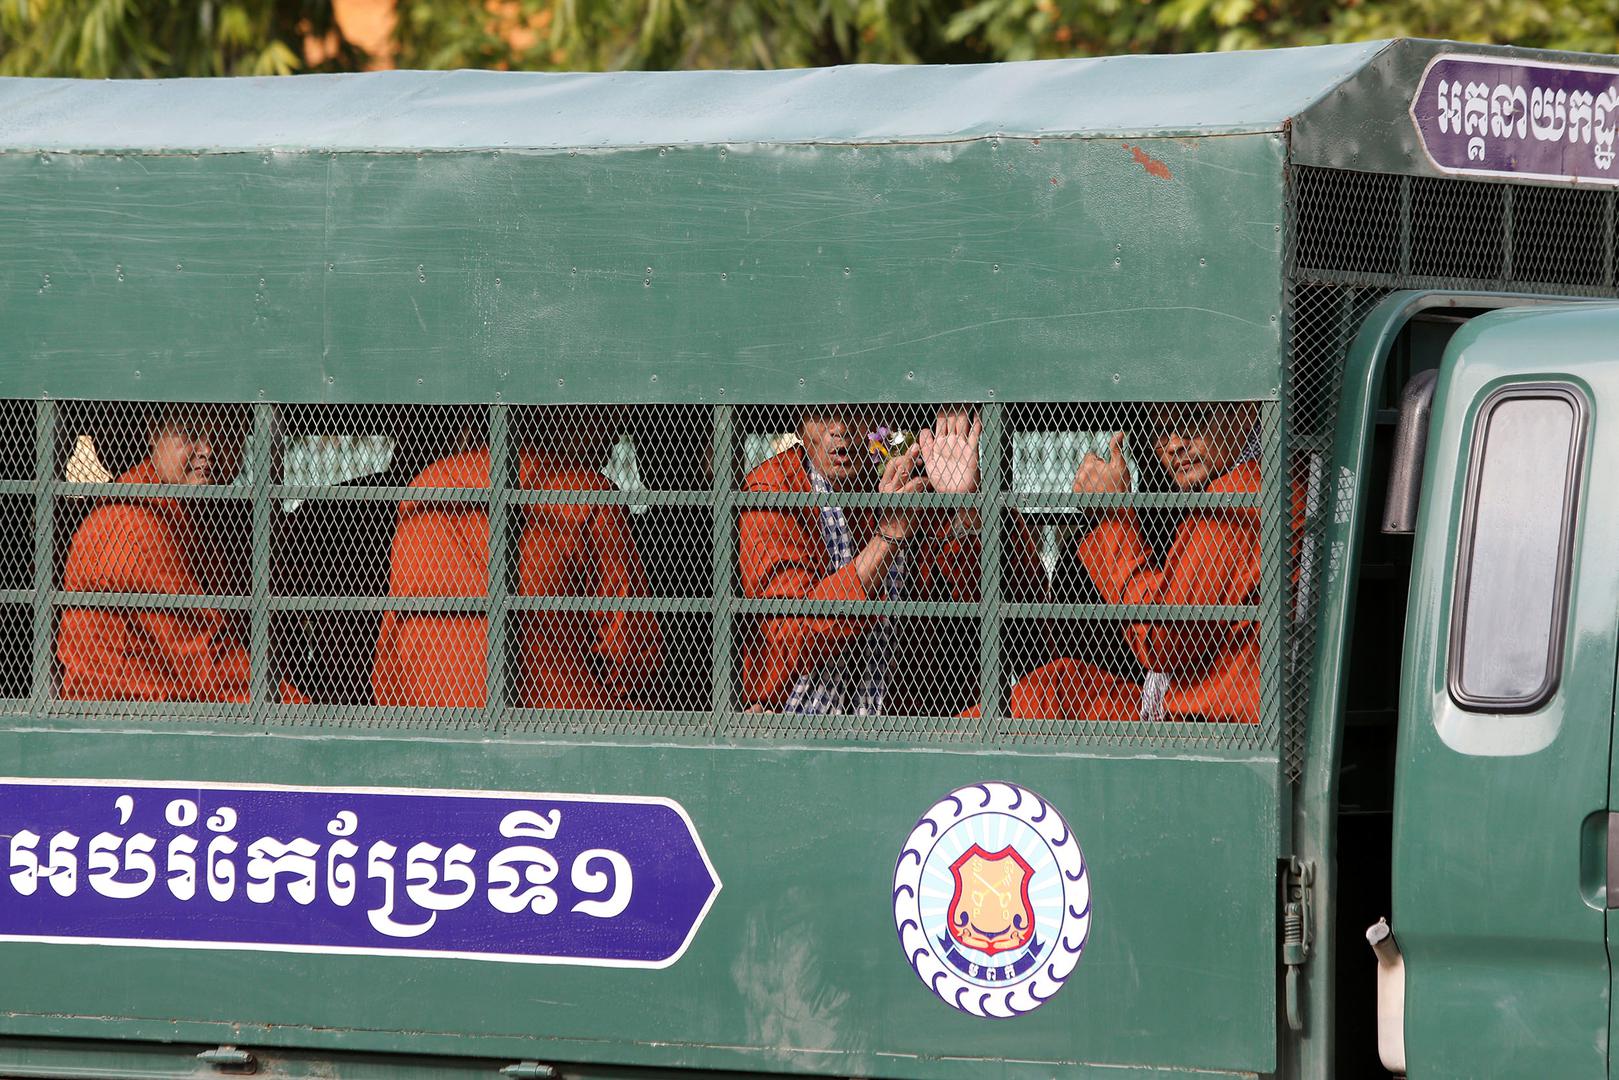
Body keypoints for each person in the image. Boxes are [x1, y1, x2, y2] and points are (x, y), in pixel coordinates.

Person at [738, 407, 1042, 716]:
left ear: (876, 417)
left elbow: (1023, 615)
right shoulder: (773, 488)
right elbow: (789, 636)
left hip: (904, 717)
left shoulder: (907, 482)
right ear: (799, 426)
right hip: (791, 716)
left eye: (854, 412)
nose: (840, 428)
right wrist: (887, 539)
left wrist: (968, 503)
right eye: (821, 413)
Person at [372, 413, 661, 709]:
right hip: (561, 720)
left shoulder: (422, 489)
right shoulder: (588, 494)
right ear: (563, 411)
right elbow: (631, 646)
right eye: (604, 417)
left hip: (431, 715)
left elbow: (391, 650)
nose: (614, 436)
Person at [1008, 402, 1265, 724]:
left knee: (1049, 694)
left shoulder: (1242, 498)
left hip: (1212, 723)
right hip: (1198, 703)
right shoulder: (1236, 491)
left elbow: (1161, 640)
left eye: (1194, 419)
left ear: (1246, 412)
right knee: (1057, 686)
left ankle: (955, 743)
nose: (1174, 444)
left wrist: (1112, 515)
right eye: (1161, 431)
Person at [57, 405, 304, 703]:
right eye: (190, 433)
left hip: (175, 705)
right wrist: (296, 709)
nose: (208, 450)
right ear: (153, 432)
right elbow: (202, 657)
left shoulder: (196, 511)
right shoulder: (135, 524)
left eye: (226, 434)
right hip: (129, 714)